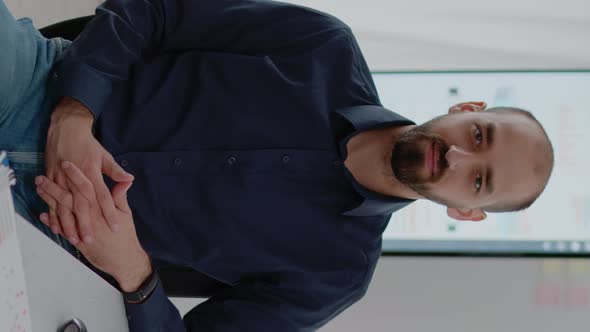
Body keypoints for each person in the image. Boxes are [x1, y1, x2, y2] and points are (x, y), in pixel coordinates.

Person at [1, 0, 554, 331]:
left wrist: (133, 273)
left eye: (478, 179)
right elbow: (157, 11)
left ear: (466, 209)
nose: (456, 155)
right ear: (466, 110)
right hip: (37, 88)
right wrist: (74, 116)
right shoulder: (323, 46)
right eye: (478, 135)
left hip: (48, 235)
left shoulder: (337, 273)